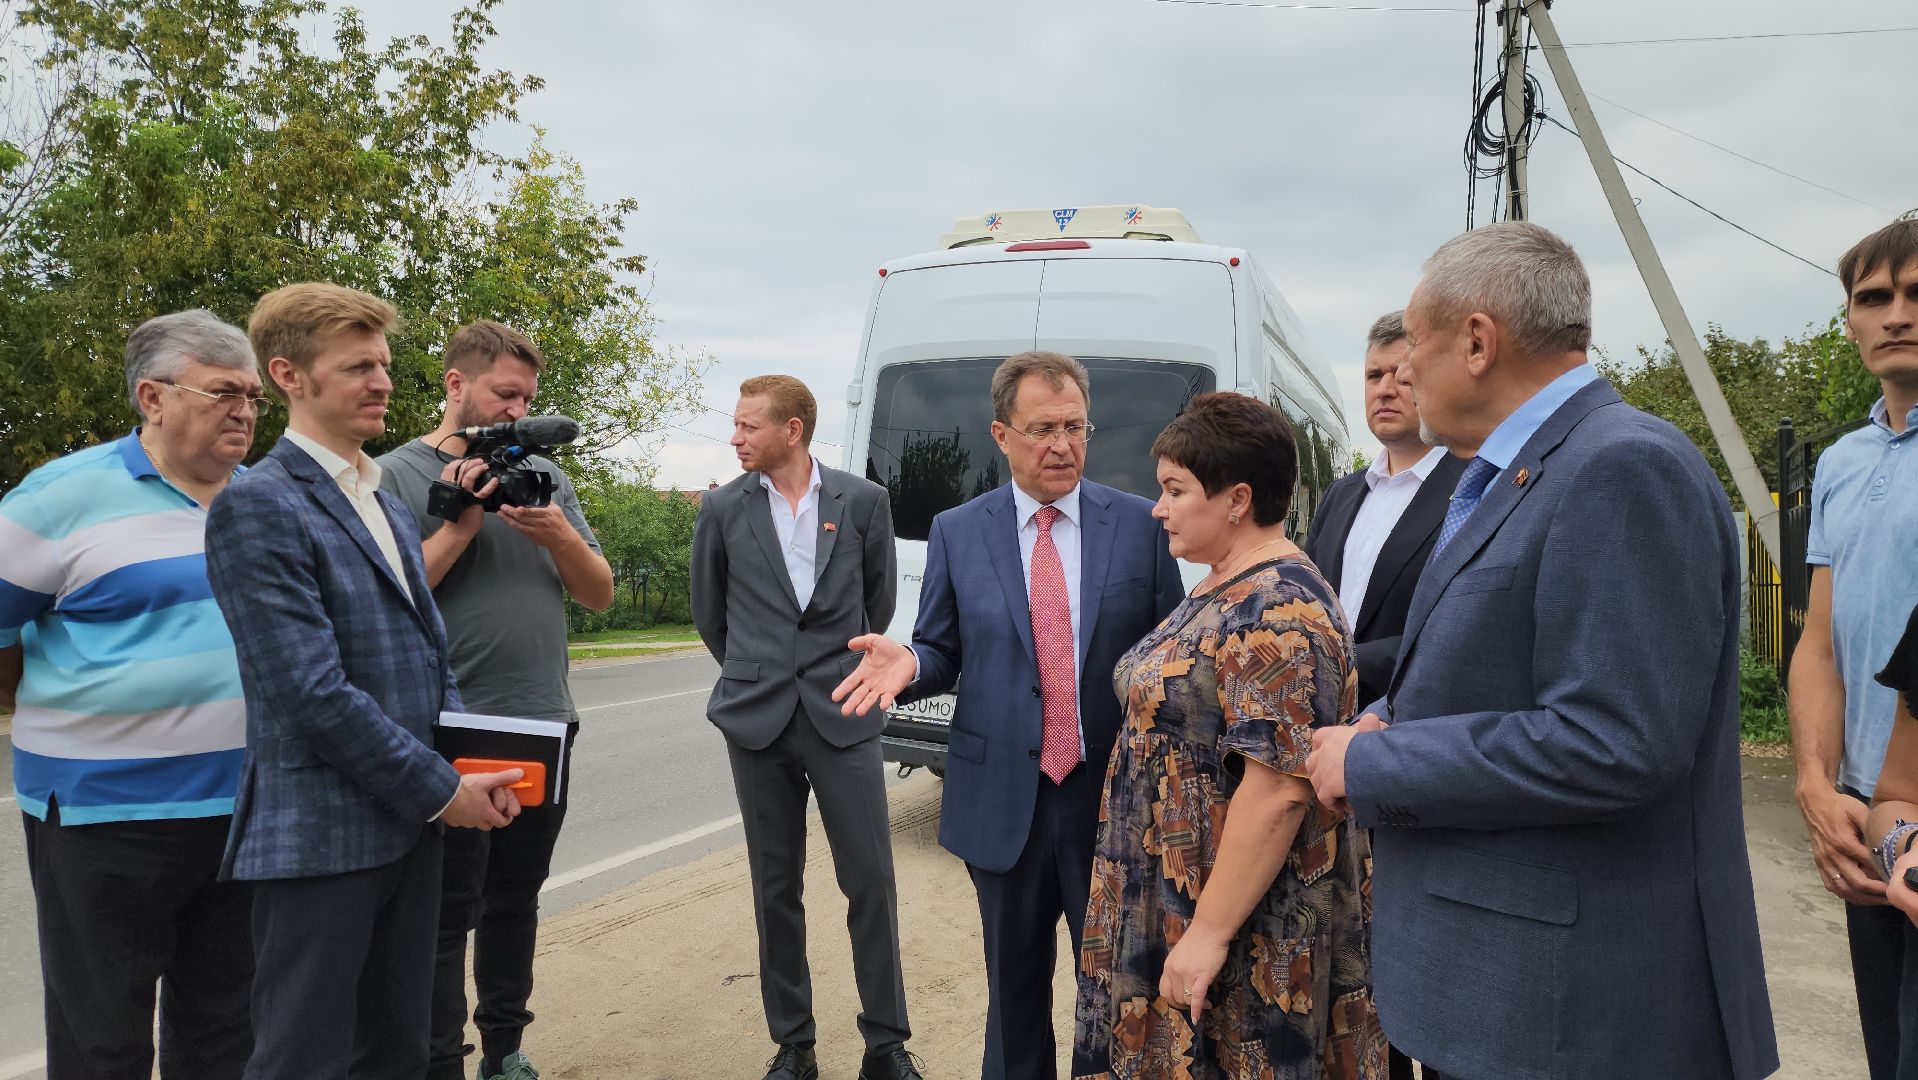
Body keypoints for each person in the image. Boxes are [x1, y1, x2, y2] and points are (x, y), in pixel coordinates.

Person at [1303, 222, 1778, 1079]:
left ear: (1477, 342)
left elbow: (1615, 742)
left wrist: (1375, 764)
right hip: (1511, 993)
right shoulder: (1521, 471)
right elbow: (1486, 670)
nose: (1405, 372)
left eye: (1415, 346)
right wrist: (1387, 720)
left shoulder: (1620, 468)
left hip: (1567, 1012)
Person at [204, 282, 526, 1079]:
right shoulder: (260, 504)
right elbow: (308, 693)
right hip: (321, 840)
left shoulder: (382, 500)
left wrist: (474, 767)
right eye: (357, 367)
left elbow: (429, 659)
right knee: (304, 1060)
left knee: (397, 1054)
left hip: (410, 833)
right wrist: (442, 789)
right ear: (288, 375)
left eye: (382, 364)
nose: (382, 382)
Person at [833, 351, 1185, 1080]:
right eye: (1042, 429)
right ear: (1001, 434)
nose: (1062, 445)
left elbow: (1168, 656)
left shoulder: (1139, 525)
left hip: (1110, 803)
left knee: (1119, 995)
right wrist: (911, 664)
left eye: (1075, 427)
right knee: (1014, 993)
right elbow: (941, 647)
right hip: (1001, 804)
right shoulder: (960, 530)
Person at [1073, 391, 1386, 1079]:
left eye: (1175, 490)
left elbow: (1278, 791)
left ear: (1237, 499)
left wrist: (1206, 935)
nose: (1158, 508)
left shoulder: (1278, 609)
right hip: (1178, 894)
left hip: (1241, 923)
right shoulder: (1225, 582)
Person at [0, 311, 260, 1079]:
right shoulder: (58, 499)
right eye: (223, 392)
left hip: (244, 812)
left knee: (226, 1035)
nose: (244, 410)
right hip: (102, 820)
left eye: (252, 396)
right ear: (153, 397)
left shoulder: (262, 501)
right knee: (102, 1042)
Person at [377, 320, 614, 1080]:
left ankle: (505, 1051)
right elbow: (386, 598)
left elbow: (599, 593)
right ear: (456, 384)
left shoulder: (543, 475)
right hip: (446, 724)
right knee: (446, 909)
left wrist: (558, 535)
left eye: (528, 399)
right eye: (505, 394)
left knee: (516, 899)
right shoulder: (393, 475)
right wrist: (460, 525)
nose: (518, 410)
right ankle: (440, 1059)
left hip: (541, 717)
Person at [688, 375, 922, 1080]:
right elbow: (710, 613)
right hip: (756, 722)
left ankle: (886, 1046)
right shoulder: (722, 508)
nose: (736, 438)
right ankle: (794, 1044)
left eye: (749, 426)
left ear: (793, 430)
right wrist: (759, 672)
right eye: (735, 425)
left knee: (870, 882)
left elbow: (877, 603)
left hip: (843, 713)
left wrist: (829, 670)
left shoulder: (863, 501)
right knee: (775, 887)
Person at [1790, 217, 1918, 1080]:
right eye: (1874, 298)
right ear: (1850, 323)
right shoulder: (1840, 461)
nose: (1896, 314)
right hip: (1871, 820)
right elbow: (1818, 642)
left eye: (1916, 294)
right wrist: (1814, 783)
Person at [1303, 310, 1467, 709]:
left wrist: (1336, 663)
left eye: (1403, 378)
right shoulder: (1341, 495)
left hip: (1409, 720)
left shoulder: (1472, 490)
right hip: (1319, 718)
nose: (1385, 390)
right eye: (1374, 376)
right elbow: (1306, 600)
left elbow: (1458, 626)